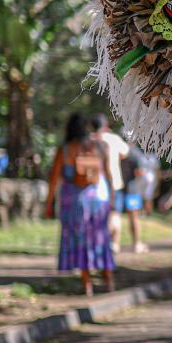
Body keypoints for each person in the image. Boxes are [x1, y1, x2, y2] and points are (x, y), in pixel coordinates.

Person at [46, 113, 115, 295]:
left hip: (75, 201)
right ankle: (109, 281)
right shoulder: (99, 146)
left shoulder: (66, 149)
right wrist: (113, 199)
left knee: (81, 241)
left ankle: (87, 284)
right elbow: (108, 176)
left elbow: (54, 179)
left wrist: (49, 202)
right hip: (99, 199)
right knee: (101, 238)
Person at [93, 114, 131, 252]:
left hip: (95, 184)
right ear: (105, 126)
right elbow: (125, 152)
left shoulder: (90, 140)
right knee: (115, 214)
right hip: (115, 182)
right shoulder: (113, 138)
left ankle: (102, 242)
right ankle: (114, 243)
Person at [120, 144, 157, 254]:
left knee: (134, 217)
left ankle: (136, 243)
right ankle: (136, 243)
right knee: (134, 217)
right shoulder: (139, 154)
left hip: (133, 191)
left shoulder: (133, 152)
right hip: (134, 191)